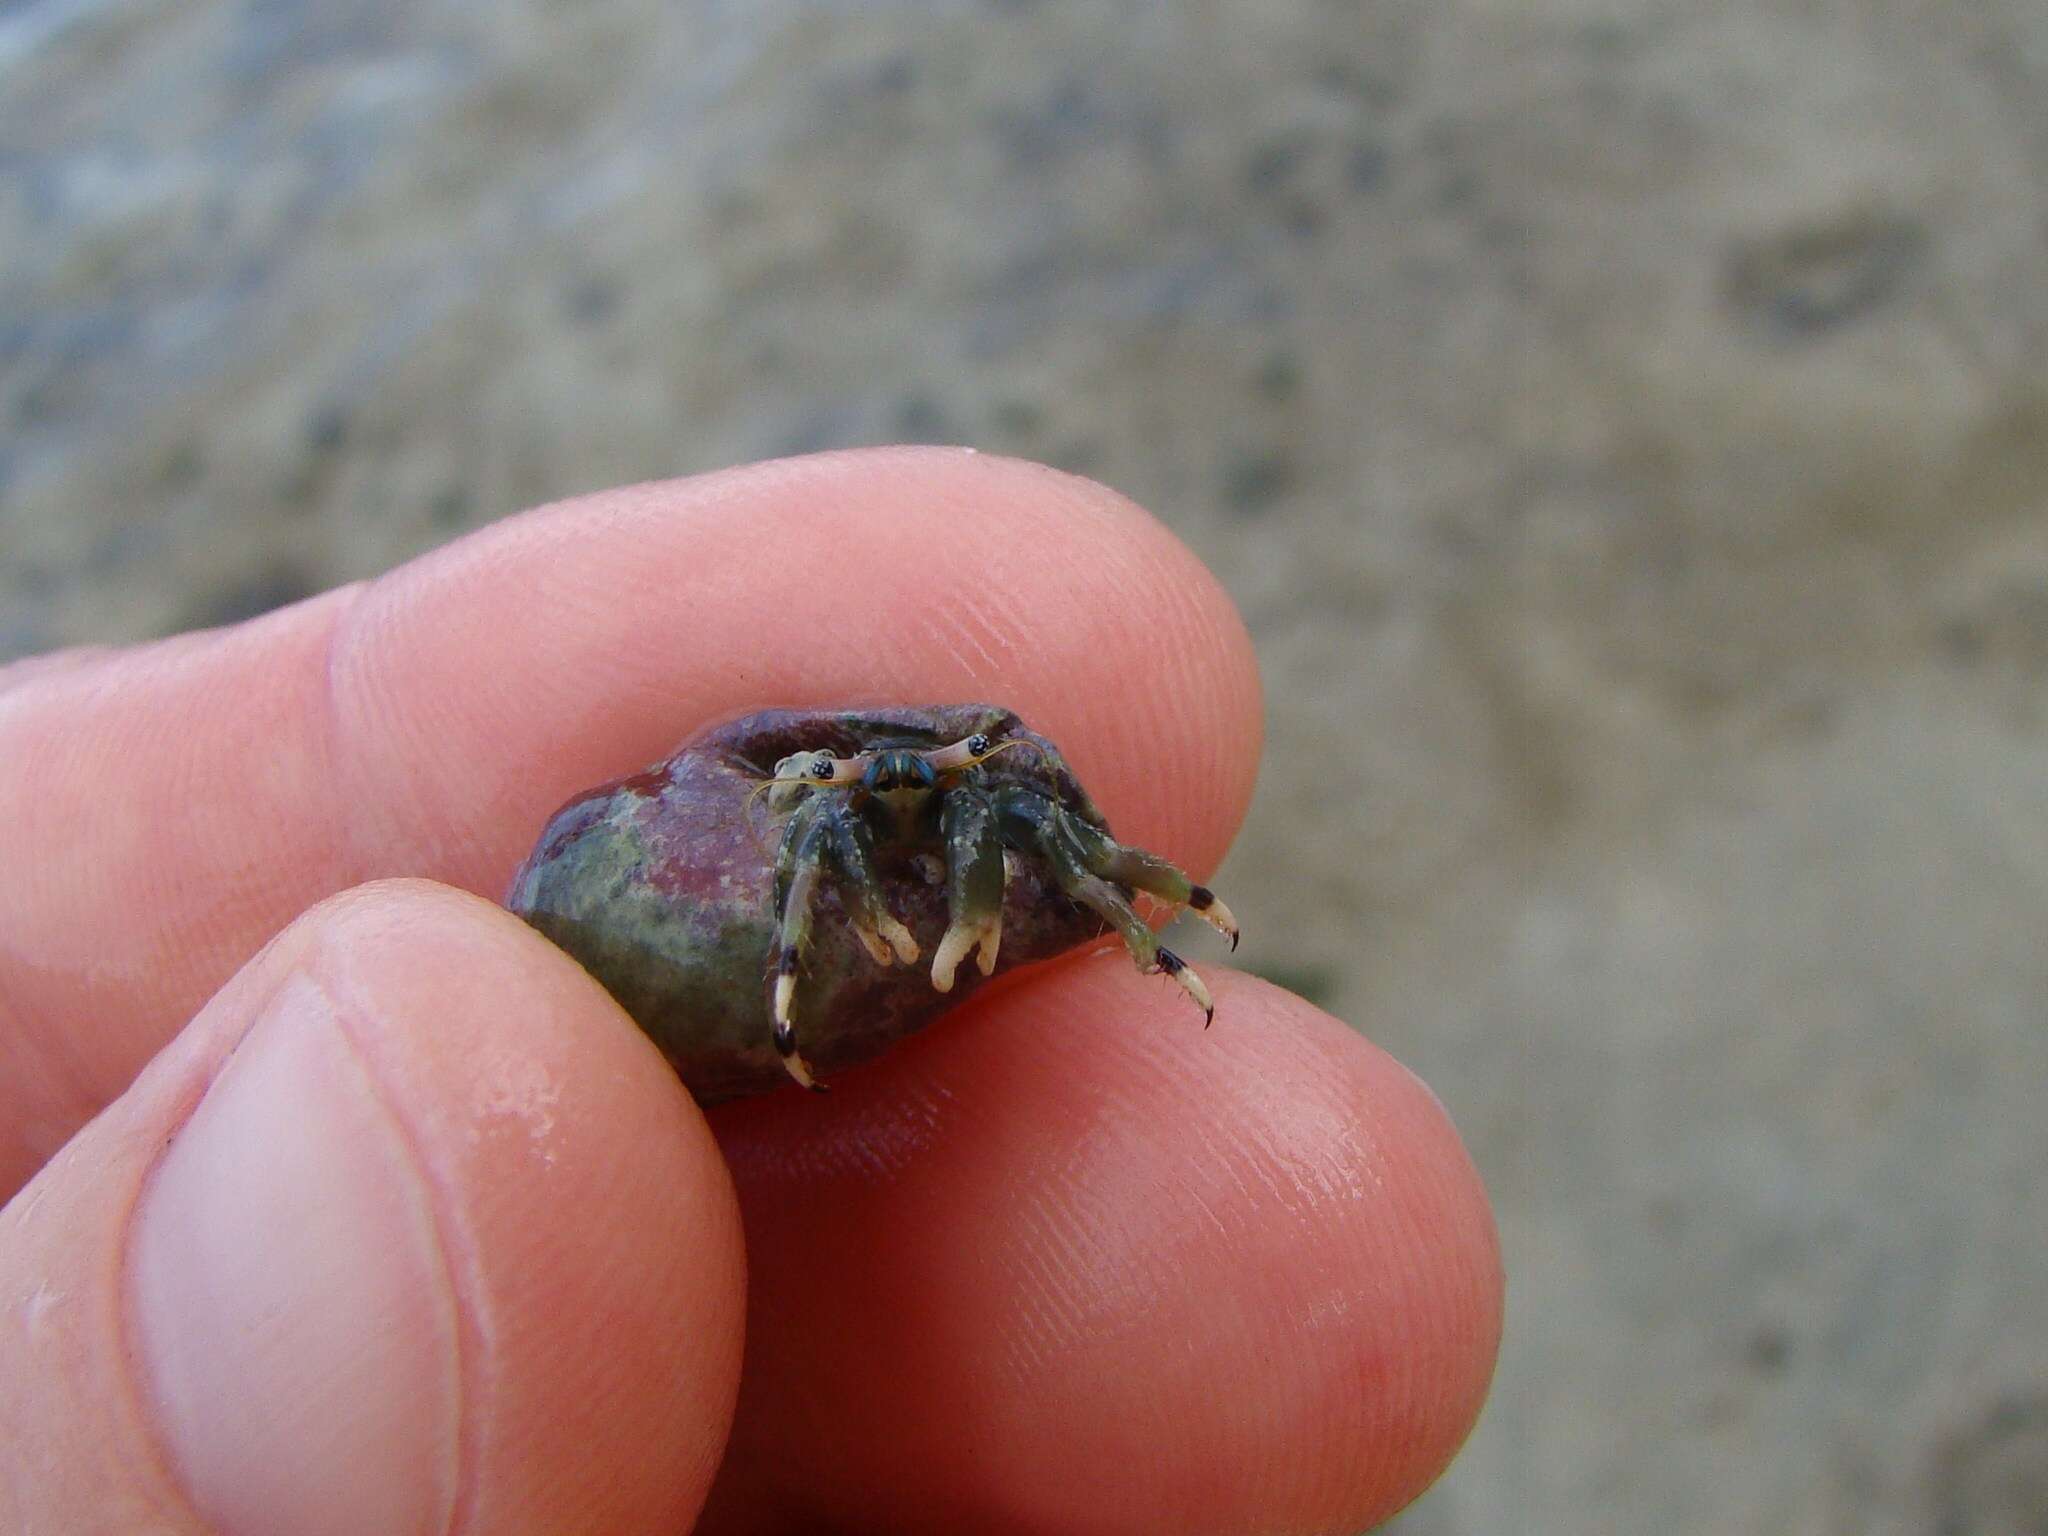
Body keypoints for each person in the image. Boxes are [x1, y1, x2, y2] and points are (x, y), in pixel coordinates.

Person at [0, 448, 1501, 1534]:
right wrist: (791, 976)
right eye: (876, 779)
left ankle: (1155, 943)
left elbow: (1039, 820)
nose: (912, 790)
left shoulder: (965, 795)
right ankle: (804, 983)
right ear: (823, 783)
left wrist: (1142, 909)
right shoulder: (823, 815)